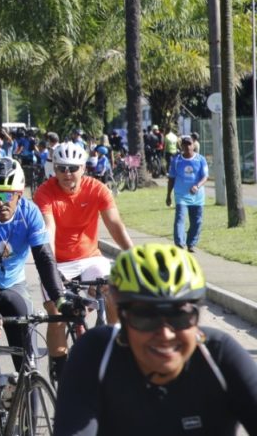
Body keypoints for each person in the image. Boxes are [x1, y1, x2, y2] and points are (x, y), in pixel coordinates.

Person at [53, 244, 257, 435]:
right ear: (123, 319)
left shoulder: (218, 353)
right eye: (145, 317)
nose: (165, 334)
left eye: (180, 317)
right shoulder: (95, 354)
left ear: (196, 317)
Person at [0, 157, 68, 415]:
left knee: (26, 351)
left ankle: (22, 398)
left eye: (7, 195)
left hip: (12, 283)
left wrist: (60, 299)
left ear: (19, 194)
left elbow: (44, 258)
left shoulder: (30, 214)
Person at [33, 142, 134, 382]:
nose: (67, 174)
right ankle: (60, 367)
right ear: (54, 169)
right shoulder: (45, 192)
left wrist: (133, 254)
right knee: (57, 313)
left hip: (90, 258)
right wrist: (51, 268)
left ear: (83, 168)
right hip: (57, 262)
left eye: (73, 168)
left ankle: (116, 345)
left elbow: (114, 224)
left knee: (111, 291)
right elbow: (49, 229)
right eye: (61, 168)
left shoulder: (97, 189)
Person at [166, 134, 208, 252]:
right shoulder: (177, 161)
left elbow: (205, 177)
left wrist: (197, 186)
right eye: (185, 144)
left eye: (189, 144)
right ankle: (179, 243)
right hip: (181, 196)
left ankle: (191, 243)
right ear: (182, 146)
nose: (187, 146)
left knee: (197, 221)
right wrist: (168, 195)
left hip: (197, 197)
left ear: (193, 145)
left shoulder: (200, 159)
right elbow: (172, 178)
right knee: (180, 218)